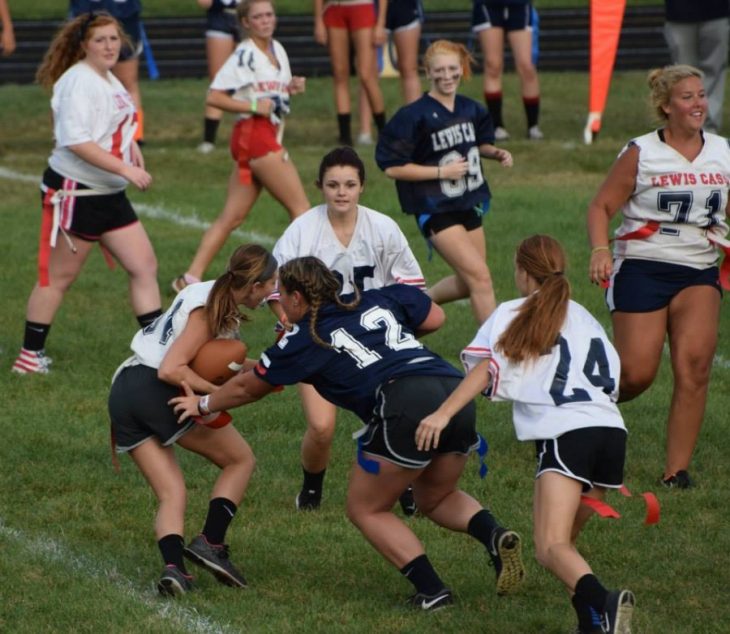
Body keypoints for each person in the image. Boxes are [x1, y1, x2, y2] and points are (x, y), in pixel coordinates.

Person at [171, 256, 526, 608]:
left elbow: (249, 387)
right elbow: (434, 315)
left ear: (296, 298)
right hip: (453, 391)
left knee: (366, 508)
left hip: (404, 401)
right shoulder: (377, 297)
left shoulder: (306, 336)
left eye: (282, 295)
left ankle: (432, 591)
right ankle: (493, 534)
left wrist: (204, 405)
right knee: (435, 497)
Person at [418, 235, 635, 634]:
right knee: (561, 547)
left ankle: (605, 602)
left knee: (550, 547)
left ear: (521, 271)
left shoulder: (513, 312)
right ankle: (590, 623)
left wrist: (442, 414)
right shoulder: (583, 315)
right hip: (611, 432)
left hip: (566, 434)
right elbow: (617, 379)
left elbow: (484, 369)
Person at [587, 64, 730, 488]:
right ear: (666, 106)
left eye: (701, 95)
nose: (698, 104)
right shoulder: (642, 151)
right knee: (635, 373)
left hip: (700, 268)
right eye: (687, 97)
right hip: (643, 265)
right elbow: (600, 207)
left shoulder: (722, 150)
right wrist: (599, 250)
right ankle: (572, 411)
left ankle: (676, 471)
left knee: (695, 367)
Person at [109, 244, 278, 596]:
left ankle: (175, 570)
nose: (272, 291)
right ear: (254, 286)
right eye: (270, 283)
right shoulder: (209, 309)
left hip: (126, 390)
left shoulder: (209, 293)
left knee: (172, 491)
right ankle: (211, 542)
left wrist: (265, 370)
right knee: (240, 459)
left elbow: (208, 360)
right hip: (158, 388)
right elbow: (173, 368)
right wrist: (208, 400)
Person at [268, 146, 425, 512]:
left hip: (372, 341)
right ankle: (311, 489)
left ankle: (403, 486)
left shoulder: (382, 227)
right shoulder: (304, 230)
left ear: (362, 187)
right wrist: (288, 320)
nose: (342, 192)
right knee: (322, 428)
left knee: (391, 415)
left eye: (350, 184)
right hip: (319, 339)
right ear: (320, 186)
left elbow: (411, 287)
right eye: (333, 184)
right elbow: (276, 288)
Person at [12, 12, 160, 375]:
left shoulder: (106, 76)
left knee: (144, 266)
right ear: (83, 45)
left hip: (106, 193)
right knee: (58, 278)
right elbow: (76, 140)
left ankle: (158, 348)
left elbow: (112, 124)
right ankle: (29, 357)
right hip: (79, 193)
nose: (110, 46)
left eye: (114, 39)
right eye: (101, 40)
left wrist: (130, 149)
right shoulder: (79, 81)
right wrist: (125, 168)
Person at [172, 0, 310, 292]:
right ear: (245, 23)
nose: (265, 21)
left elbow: (272, 93)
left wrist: (291, 87)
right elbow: (214, 97)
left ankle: (189, 278)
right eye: (258, 17)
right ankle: (296, 281)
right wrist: (251, 105)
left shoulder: (277, 49)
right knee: (302, 210)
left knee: (231, 217)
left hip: (261, 134)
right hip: (254, 134)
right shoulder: (245, 53)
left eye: (269, 14)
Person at [376, 39, 513, 325]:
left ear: (461, 69)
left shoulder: (471, 109)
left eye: (453, 68)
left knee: (468, 281)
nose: (447, 75)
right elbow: (392, 168)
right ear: (428, 72)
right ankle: (493, 352)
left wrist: (495, 153)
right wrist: (441, 173)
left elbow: (479, 144)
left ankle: (416, 304)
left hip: (469, 200)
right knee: (481, 277)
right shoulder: (413, 115)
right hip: (435, 206)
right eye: (439, 70)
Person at [69, 1, 147, 144]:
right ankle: (82, 131)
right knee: (81, 79)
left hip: (121, 16)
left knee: (127, 82)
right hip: (91, 17)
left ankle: (134, 134)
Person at [314, 0, 388, 146]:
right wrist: (318, 21)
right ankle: (345, 136)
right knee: (340, 74)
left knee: (367, 75)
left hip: (362, 7)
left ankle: (384, 132)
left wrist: (381, 22)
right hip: (334, 8)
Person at [472, 0, 542, 141]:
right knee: (493, 65)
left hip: (519, 5)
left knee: (526, 66)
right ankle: (497, 126)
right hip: (488, 5)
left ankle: (533, 126)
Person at [357, 0, 423, 145]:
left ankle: (416, 127)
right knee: (368, 73)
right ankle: (365, 131)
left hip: (406, 8)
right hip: (373, 8)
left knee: (409, 68)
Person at [664, 0, 729, 133]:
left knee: (713, 70)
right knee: (681, 75)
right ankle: (685, 122)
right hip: (679, 12)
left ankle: (708, 126)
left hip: (717, 11)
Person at [196, 0, 242, 154]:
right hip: (220, 16)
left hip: (248, 14)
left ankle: (248, 129)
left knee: (249, 77)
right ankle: (209, 139)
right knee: (218, 80)